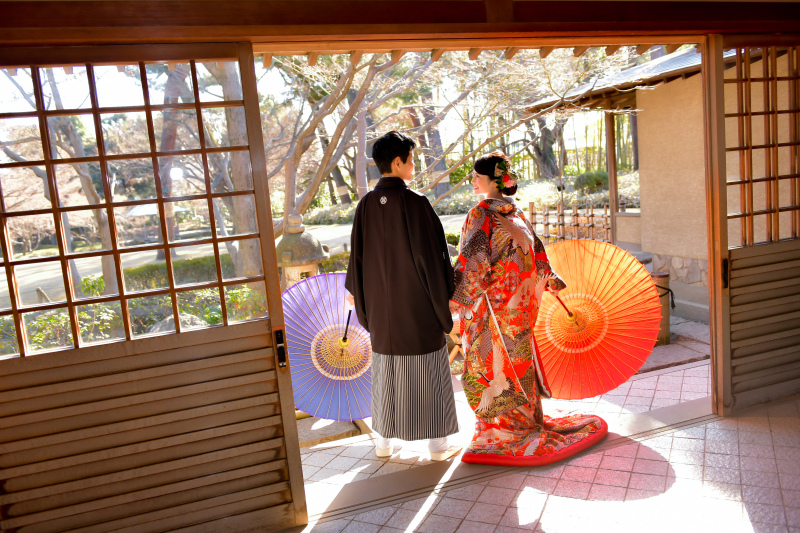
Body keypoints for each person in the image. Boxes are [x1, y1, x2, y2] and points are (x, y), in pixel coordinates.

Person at [449, 150, 607, 466]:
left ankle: (503, 433)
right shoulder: (516, 212)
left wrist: (453, 298)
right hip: (521, 305)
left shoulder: (481, 214)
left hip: (493, 309)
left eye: (477, 176)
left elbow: (474, 264)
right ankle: (525, 423)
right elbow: (537, 253)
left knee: (493, 367)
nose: (473, 181)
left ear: (491, 180)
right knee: (517, 364)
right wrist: (549, 279)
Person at [345, 131, 462, 461]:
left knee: (386, 374)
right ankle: (437, 447)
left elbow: (357, 257)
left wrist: (357, 292)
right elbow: (433, 257)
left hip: (380, 309)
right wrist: (444, 298)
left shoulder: (366, 204)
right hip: (416, 306)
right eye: (412, 159)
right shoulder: (416, 203)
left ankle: (383, 444)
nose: (414, 165)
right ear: (397, 163)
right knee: (428, 372)